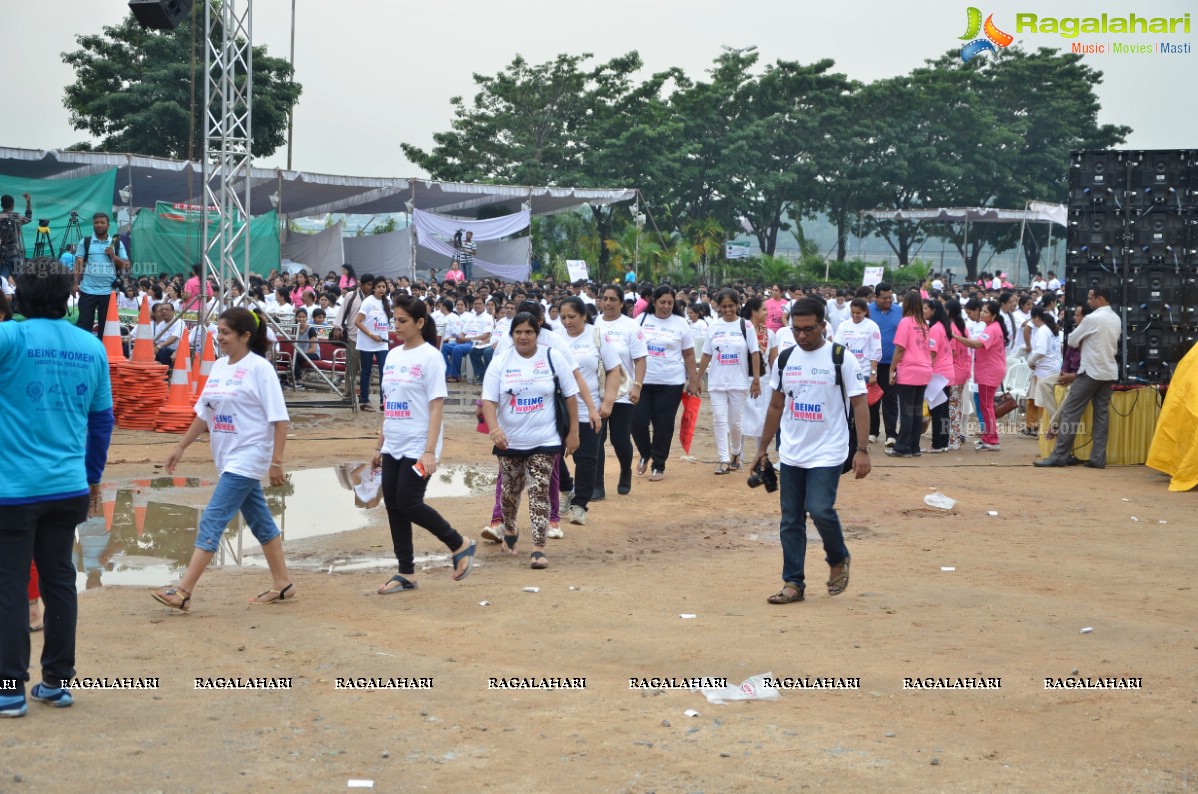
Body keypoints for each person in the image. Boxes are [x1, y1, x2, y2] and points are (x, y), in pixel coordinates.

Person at [0, 258, 114, 716]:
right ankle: (56, 683)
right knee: (60, 580)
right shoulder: (91, 346)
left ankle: (9, 689)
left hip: (12, 490)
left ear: (20, 295)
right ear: (70, 295)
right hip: (68, 487)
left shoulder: (9, 339)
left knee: (8, 585)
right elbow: (101, 421)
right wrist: (91, 480)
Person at [151, 307, 295, 611]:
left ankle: (183, 590)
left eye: (226, 332)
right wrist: (181, 447)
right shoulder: (218, 366)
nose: (220, 337)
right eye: (219, 331)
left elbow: (280, 419)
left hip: (250, 455)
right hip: (227, 457)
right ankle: (283, 583)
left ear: (245, 336)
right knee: (260, 521)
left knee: (213, 520)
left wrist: (276, 462)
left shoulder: (260, 369)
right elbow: (204, 413)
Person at [753, 298, 870, 605]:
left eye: (808, 329)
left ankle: (837, 556)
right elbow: (777, 405)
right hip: (792, 451)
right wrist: (762, 448)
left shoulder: (840, 358)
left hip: (829, 451)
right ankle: (793, 582)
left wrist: (862, 449)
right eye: (796, 330)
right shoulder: (786, 358)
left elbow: (859, 403)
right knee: (790, 518)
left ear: (823, 325)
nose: (802, 336)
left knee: (819, 509)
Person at [372, 295, 476, 592]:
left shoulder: (431, 357)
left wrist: (430, 451)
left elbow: (436, 407)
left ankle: (459, 543)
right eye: (395, 320)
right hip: (394, 444)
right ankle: (406, 572)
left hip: (420, 445)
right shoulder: (392, 356)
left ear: (419, 322)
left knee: (409, 501)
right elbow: (389, 403)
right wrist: (379, 446)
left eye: (403, 321)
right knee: (393, 505)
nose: (397, 326)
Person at [480, 312, 580, 569]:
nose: (523, 337)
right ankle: (510, 530)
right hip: (509, 442)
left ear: (537, 333)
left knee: (540, 491)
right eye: (518, 332)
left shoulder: (552, 358)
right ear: (511, 335)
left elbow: (570, 396)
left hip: (545, 439)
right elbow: (489, 400)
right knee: (509, 495)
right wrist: (494, 430)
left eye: (529, 332)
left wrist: (573, 432)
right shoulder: (500, 362)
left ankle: (538, 548)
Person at [1034, 287, 1122, 469]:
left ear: (1100, 299)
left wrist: (1083, 338)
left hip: (1090, 372)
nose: (1088, 301)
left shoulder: (1092, 319)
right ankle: (1098, 458)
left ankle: (1059, 456)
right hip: (1108, 371)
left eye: (1091, 298)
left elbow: (1072, 340)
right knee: (1101, 416)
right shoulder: (1116, 318)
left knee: (1070, 413)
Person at [556, 297, 617, 525]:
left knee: (587, 458)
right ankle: (565, 486)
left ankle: (580, 504)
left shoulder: (597, 336)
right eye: (563, 317)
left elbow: (613, 370)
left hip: (590, 407)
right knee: (552, 452)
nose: (567, 321)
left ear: (584, 316)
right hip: (560, 407)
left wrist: (607, 403)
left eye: (572, 317)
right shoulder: (556, 337)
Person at [631, 286, 699, 482]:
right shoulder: (641, 321)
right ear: (654, 302)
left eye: (670, 303)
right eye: (662, 302)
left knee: (663, 425)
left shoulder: (680, 324)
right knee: (637, 421)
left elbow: (688, 354)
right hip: (641, 382)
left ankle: (658, 464)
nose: (666, 306)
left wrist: (693, 380)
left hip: (671, 382)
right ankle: (645, 452)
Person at [696, 288, 760, 474]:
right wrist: (698, 378)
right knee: (719, 420)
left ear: (738, 305)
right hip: (716, 381)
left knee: (735, 423)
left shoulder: (746, 326)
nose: (728, 309)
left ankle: (736, 454)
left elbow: (754, 353)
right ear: (718, 307)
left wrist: (755, 379)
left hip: (739, 381)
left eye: (731, 306)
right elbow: (707, 354)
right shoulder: (714, 327)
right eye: (724, 306)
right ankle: (723, 459)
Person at [594, 284, 648, 497]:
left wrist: (638, 385)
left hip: (624, 391)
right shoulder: (594, 324)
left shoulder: (631, 326)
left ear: (621, 303)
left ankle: (625, 471)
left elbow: (640, 360)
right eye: (604, 299)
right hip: (597, 390)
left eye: (612, 299)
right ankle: (597, 485)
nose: (607, 303)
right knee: (597, 437)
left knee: (619, 439)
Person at [952, 300, 1008, 452]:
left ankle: (992, 439)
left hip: (990, 371)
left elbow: (977, 344)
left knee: (986, 405)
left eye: (986, 312)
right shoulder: (991, 327)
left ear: (994, 315)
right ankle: (988, 438)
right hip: (989, 369)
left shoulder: (992, 329)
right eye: (982, 311)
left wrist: (956, 337)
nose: (982, 314)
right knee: (985, 404)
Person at [886, 291, 932, 458]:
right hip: (924, 370)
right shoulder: (924, 324)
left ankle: (902, 447)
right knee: (916, 411)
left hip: (909, 370)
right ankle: (914, 446)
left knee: (906, 411)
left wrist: (892, 369)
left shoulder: (905, 322)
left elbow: (900, 348)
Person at [73, 212, 128, 339]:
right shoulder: (85, 242)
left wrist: (113, 256)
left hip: (109, 292)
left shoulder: (116, 243)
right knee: (84, 326)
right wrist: (75, 284)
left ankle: (104, 356)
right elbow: (78, 265)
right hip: (87, 290)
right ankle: (83, 353)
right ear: (93, 224)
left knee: (106, 328)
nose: (99, 225)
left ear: (108, 225)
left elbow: (126, 265)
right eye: (96, 222)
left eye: (102, 222)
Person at [866, 283, 902, 446]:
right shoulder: (868, 311)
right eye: (885, 298)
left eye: (890, 297)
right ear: (876, 297)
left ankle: (891, 434)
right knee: (872, 398)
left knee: (890, 398)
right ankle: (872, 431)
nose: (888, 301)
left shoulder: (899, 311)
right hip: (871, 362)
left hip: (890, 363)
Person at [354, 279, 392, 411]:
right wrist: (371, 335)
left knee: (385, 371)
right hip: (367, 342)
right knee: (366, 371)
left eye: (384, 286)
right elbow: (357, 322)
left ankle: (384, 401)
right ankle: (364, 401)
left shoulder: (387, 302)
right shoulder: (368, 301)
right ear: (374, 288)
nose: (382, 289)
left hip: (382, 343)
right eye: (379, 286)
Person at [1024, 306, 1062, 436]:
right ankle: (1040, 427)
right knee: (1040, 399)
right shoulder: (1052, 330)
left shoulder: (1043, 330)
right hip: (1050, 368)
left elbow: (1041, 351)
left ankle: (1046, 428)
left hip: (1045, 370)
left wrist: (1030, 362)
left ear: (1036, 318)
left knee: (1042, 401)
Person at [924, 297, 955, 453]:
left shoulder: (935, 328)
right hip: (947, 372)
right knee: (943, 411)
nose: (923, 312)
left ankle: (937, 444)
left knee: (936, 410)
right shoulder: (944, 326)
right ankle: (943, 442)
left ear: (933, 311)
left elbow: (932, 353)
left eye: (926, 309)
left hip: (938, 374)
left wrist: (925, 370)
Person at [833, 298, 882, 386]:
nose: (855, 315)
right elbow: (837, 347)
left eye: (858, 313)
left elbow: (876, 351)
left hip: (864, 372)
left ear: (865, 312)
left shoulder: (872, 326)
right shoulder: (843, 325)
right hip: (846, 370)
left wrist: (873, 373)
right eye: (853, 312)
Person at [945, 299, 973, 451]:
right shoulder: (963, 327)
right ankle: (957, 435)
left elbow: (953, 351)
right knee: (958, 405)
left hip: (955, 371)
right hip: (964, 370)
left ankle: (953, 439)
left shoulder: (952, 328)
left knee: (953, 407)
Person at [0, 193, 32, 283]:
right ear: (12, 205)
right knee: (20, 281)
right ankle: (22, 296)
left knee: (2, 281)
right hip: (15, 253)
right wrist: (28, 202)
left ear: (2, 205)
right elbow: (29, 218)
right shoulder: (17, 217)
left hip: (2, 254)